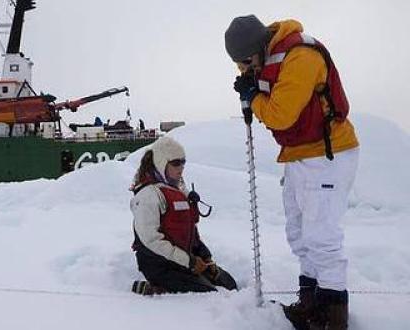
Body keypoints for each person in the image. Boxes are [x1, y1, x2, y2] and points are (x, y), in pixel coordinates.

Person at [225, 15, 360, 329]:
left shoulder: (301, 57)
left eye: (245, 62)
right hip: (300, 155)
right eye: (238, 64)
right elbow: (270, 100)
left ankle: (332, 315)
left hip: (328, 154)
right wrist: (251, 86)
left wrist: (253, 96)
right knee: (299, 233)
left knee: (322, 236)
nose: (244, 69)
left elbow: (281, 115)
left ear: (259, 47)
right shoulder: (266, 59)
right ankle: (310, 302)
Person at [130, 136, 237, 295]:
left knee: (229, 284)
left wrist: (204, 256)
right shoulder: (148, 196)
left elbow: (189, 231)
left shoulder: (178, 192)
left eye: (183, 162)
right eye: (175, 163)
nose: (181, 167)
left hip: (183, 259)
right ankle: (156, 288)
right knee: (207, 293)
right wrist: (190, 261)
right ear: (161, 163)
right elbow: (151, 240)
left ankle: (177, 281)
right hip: (160, 264)